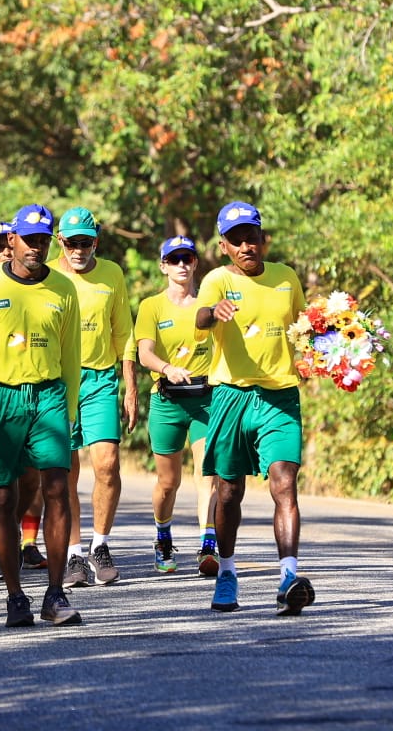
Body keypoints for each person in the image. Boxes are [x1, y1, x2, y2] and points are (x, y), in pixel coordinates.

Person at [0, 204, 83, 627]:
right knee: (3, 498)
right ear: (12, 241)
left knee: (57, 487)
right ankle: (15, 597)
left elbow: (71, 355)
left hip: (49, 395)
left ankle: (55, 594)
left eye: (43, 240)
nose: (36, 247)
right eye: (29, 239)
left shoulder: (63, 289)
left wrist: (70, 409)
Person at [194, 201, 315, 616]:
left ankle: (288, 577)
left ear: (263, 239)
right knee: (229, 491)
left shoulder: (286, 278)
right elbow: (201, 318)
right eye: (236, 240)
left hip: (280, 396)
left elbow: (305, 329)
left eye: (252, 237)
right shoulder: (217, 280)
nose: (246, 246)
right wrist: (215, 313)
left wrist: (318, 355)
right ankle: (227, 572)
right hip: (231, 396)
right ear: (224, 246)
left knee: (284, 483)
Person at [51, 207, 137, 589]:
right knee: (66, 471)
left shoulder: (112, 274)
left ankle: (99, 546)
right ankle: (73, 554)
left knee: (107, 463)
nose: (78, 250)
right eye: (72, 243)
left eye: (85, 243)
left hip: (100, 378)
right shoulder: (47, 276)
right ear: (60, 242)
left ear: (96, 242)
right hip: (58, 382)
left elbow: (124, 334)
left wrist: (130, 387)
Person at [131, 236, 218, 574]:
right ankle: (163, 537)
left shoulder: (209, 305)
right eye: (174, 259)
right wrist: (167, 368)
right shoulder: (152, 306)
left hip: (205, 401)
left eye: (187, 258)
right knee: (168, 483)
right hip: (167, 400)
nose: (182, 265)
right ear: (163, 266)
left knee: (208, 474)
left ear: (195, 263)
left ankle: (208, 546)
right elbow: (144, 353)